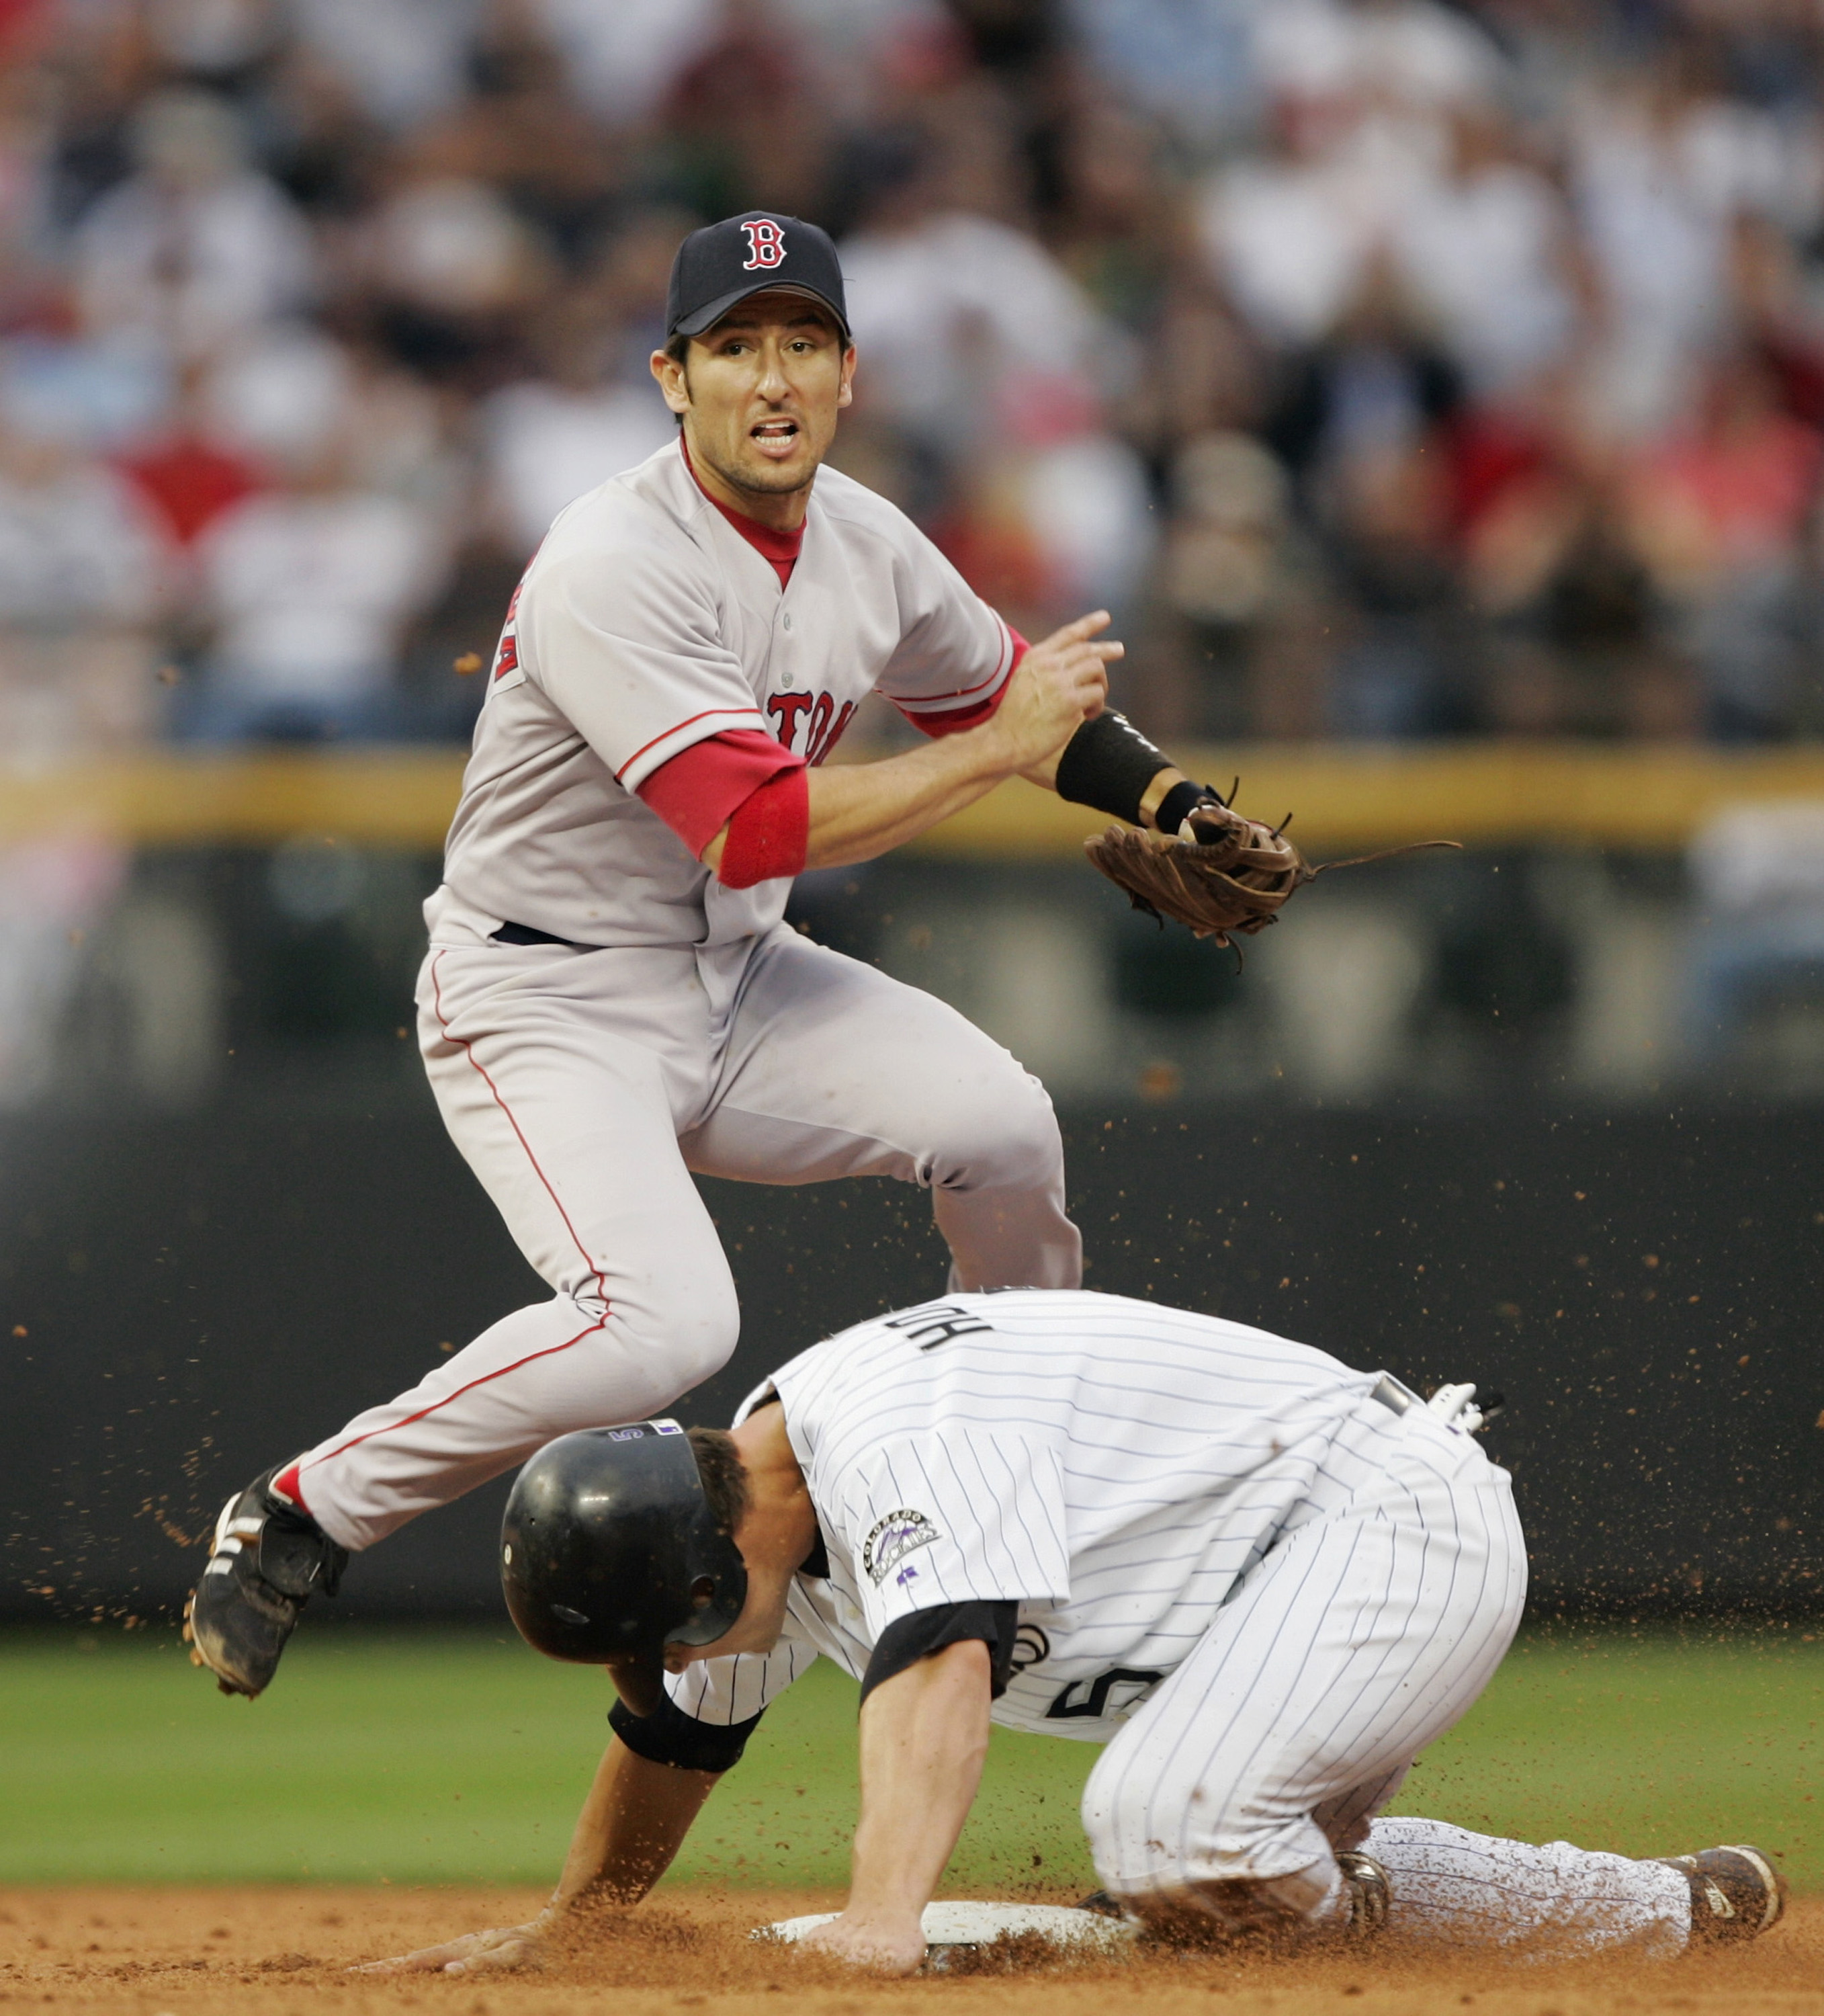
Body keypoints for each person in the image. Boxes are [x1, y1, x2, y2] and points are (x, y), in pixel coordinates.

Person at [184, 212, 1223, 1697]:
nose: (770, 376)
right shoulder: (612, 555)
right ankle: (298, 1515)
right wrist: (998, 748)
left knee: (999, 1129)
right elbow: (755, 825)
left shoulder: (867, 541)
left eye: (801, 341)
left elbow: (1013, 701)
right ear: (672, 379)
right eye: (734, 346)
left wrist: (1176, 803)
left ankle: (1015, 1470)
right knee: (660, 1323)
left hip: (736, 978)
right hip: (541, 995)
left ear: (849, 373)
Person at [365, 1289, 1786, 1977]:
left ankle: (1297, 1918)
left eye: (660, 1635)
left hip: (1384, 1530)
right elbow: (671, 1741)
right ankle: (1672, 1912)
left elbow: (942, 1665)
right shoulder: (740, 1509)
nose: (670, 1664)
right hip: (1265, 1592)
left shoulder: (889, 1434)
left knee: (1168, 1841)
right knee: (1193, 1869)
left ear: (691, 1568)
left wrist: (880, 1919)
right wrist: (575, 1929)